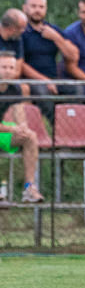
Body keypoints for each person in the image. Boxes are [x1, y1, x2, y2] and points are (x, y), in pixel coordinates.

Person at [21, 0, 80, 119]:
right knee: (43, 93)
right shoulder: (21, 31)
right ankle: (52, 132)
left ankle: (69, 128)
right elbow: (21, 65)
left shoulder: (53, 30)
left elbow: (74, 56)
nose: (37, 10)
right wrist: (45, 80)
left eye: (41, 7)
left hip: (54, 79)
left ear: (46, 9)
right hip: (30, 80)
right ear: (24, 8)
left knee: (76, 90)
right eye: (34, 6)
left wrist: (56, 38)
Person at [0, 51, 43, 202]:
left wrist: (23, 127)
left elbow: (19, 112)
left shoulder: (15, 88)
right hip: (4, 129)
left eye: (11, 67)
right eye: (4, 67)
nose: (8, 71)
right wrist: (12, 129)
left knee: (30, 136)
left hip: (3, 129)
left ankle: (29, 188)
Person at [0, 9, 27, 78]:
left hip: (10, 80)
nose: (24, 31)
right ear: (10, 28)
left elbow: (18, 71)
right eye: (22, 28)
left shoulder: (17, 39)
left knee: (25, 88)